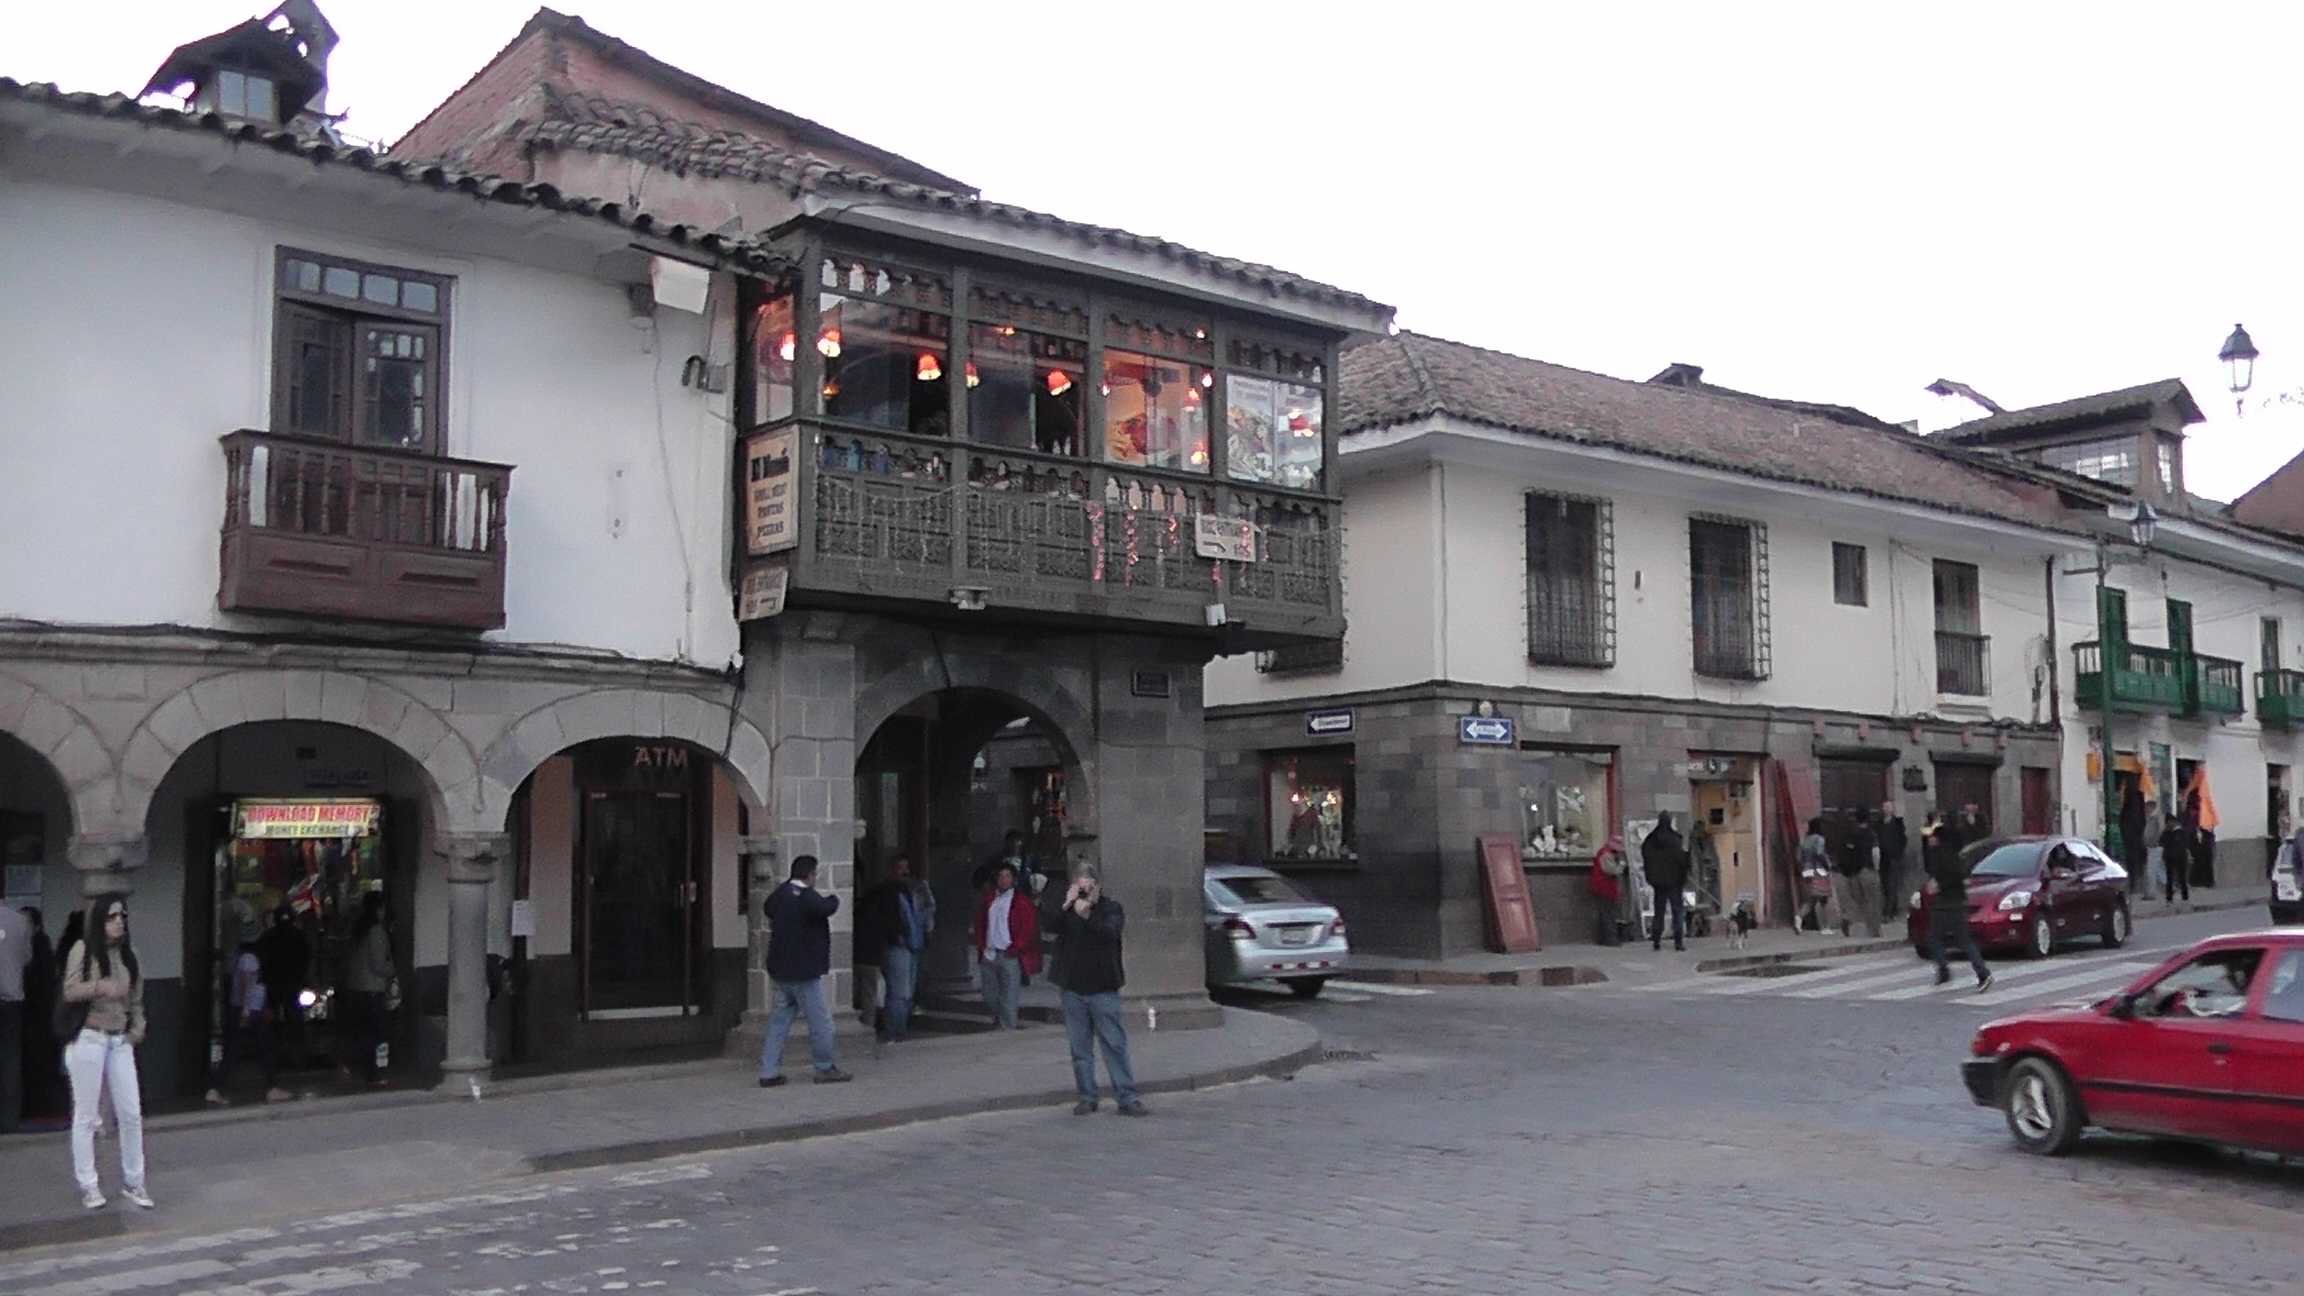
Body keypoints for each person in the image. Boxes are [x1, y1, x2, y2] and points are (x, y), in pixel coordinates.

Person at [61, 896, 152, 1210]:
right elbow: (70, 990)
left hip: (119, 1039)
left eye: (122, 916)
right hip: (89, 1035)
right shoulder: (83, 950)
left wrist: (136, 1029)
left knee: (130, 1113)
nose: (118, 921)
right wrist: (100, 987)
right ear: (99, 921)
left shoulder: (130, 956)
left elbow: (137, 1001)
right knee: (86, 1115)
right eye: (111, 916)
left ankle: (134, 1182)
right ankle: (88, 1184)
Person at [1053, 870, 1144, 1117]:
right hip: (1073, 987)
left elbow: (1109, 933)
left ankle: (1127, 1097)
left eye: (1087, 887)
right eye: (1079, 886)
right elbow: (1050, 926)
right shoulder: (1069, 910)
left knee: (1114, 1044)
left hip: (1103, 988)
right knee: (1079, 1048)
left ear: (1097, 886)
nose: (1083, 892)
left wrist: (1088, 914)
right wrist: (1066, 905)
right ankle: (1087, 1096)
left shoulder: (1111, 909)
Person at [759, 855, 850, 1086]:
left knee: (778, 1023)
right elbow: (826, 907)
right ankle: (824, 1067)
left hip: (780, 971)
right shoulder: (807, 897)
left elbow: (768, 908)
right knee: (821, 1022)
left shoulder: (781, 894)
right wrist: (834, 896)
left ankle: (768, 1071)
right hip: (804, 973)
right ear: (810, 875)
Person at [859, 855, 932, 1043]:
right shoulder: (886, 892)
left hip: (913, 946)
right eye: (900, 868)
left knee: (907, 994)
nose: (905, 872)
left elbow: (924, 914)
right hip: (897, 946)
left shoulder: (913, 890)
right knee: (899, 993)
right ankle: (895, 1033)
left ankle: (900, 1030)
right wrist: (897, 938)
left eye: (906, 868)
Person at [1922, 815, 1992, 993]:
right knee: (1962, 940)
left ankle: (1948, 970)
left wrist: (1938, 885)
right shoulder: (1950, 853)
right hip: (1955, 902)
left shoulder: (1941, 855)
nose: (1929, 839)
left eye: (1931, 837)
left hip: (1946, 903)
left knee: (1935, 938)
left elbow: (1950, 876)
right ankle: (1979, 973)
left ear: (1937, 838)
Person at [972, 864, 1042, 1029]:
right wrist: (981, 945)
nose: (1004, 880)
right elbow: (981, 923)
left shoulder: (1021, 902)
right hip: (989, 953)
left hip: (1010, 954)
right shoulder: (989, 899)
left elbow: (1028, 928)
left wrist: (1017, 948)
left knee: (1009, 996)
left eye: (1007, 876)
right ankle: (999, 1019)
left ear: (1013, 880)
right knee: (989, 994)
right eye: (1001, 876)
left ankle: (1007, 1030)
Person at [340, 894, 395, 1088]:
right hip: (373, 989)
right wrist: (394, 970)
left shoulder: (357, 931)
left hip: (356, 989)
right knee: (377, 1035)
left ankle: (351, 1064)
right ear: (379, 909)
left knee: (361, 1032)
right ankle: (376, 1073)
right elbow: (379, 965)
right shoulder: (377, 932)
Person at [255, 906, 311, 1072]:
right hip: (291, 985)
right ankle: (296, 1058)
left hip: (274, 985)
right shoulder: (298, 936)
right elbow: (306, 959)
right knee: (294, 1021)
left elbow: (262, 959)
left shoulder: (268, 937)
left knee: (274, 1023)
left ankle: (273, 1058)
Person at [1640, 814, 1690, 952]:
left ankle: (1656, 940)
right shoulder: (1676, 840)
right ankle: (1678, 942)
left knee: (1659, 911)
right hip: (1675, 882)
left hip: (1659, 883)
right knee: (1677, 911)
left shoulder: (1651, 840)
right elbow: (1683, 861)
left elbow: (1646, 857)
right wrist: (1683, 876)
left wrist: (1651, 877)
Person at [0, 901, 28, 1133]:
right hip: (12, 1000)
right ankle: (9, 1120)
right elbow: (26, 957)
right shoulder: (19, 921)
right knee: (10, 1060)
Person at [1835, 809, 1883, 939]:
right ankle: (1874, 931)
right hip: (1867, 870)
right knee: (1872, 901)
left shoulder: (1851, 834)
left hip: (1853, 873)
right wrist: (1876, 868)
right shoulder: (1871, 834)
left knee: (1857, 901)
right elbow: (1875, 852)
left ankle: (1848, 917)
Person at [1797, 818, 1834, 934]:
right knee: (1823, 899)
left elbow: (1799, 857)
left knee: (1810, 899)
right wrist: (1827, 865)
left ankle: (1798, 917)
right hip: (1819, 870)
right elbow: (1819, 853)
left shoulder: (1805, 840)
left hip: (1807, 870)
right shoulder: (1819, 839)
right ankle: (1825, 927)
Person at [1587, 836, 1626, 946]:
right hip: (1604, 888)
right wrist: (1621, 865)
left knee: (1605, 914)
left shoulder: (1606, 853)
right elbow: (1612, 870)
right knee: (1608, 915)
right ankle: (1610, 939)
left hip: (1603, 887)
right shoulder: (1606, 855)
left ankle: (1603, 938)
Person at [1877, 801, 1909, 920]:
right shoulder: (1879, 823)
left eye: (1889, 807)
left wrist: (1898, 853)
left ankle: (1888, 912)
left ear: (1892, 809)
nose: (1886, 809)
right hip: (1882, 859)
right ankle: (1892, 909)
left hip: (1894, 858)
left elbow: (1903, 840)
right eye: (1884, 807)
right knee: (1885, 885)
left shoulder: (1898, 823)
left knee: (1892, 885)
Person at [2161, 814, 2193, 903]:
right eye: (2167, 823)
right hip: (2169, 858)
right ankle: (2169, 898)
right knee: (2170, 878)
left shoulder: (2181, 832)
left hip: (2180, 857)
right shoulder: (2166, 833)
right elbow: (2162, 842)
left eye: (2170, 822)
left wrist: (2187, 854)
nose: (2169, 824)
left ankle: (2185, 896)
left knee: (2182, 878)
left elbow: (2185, 845)